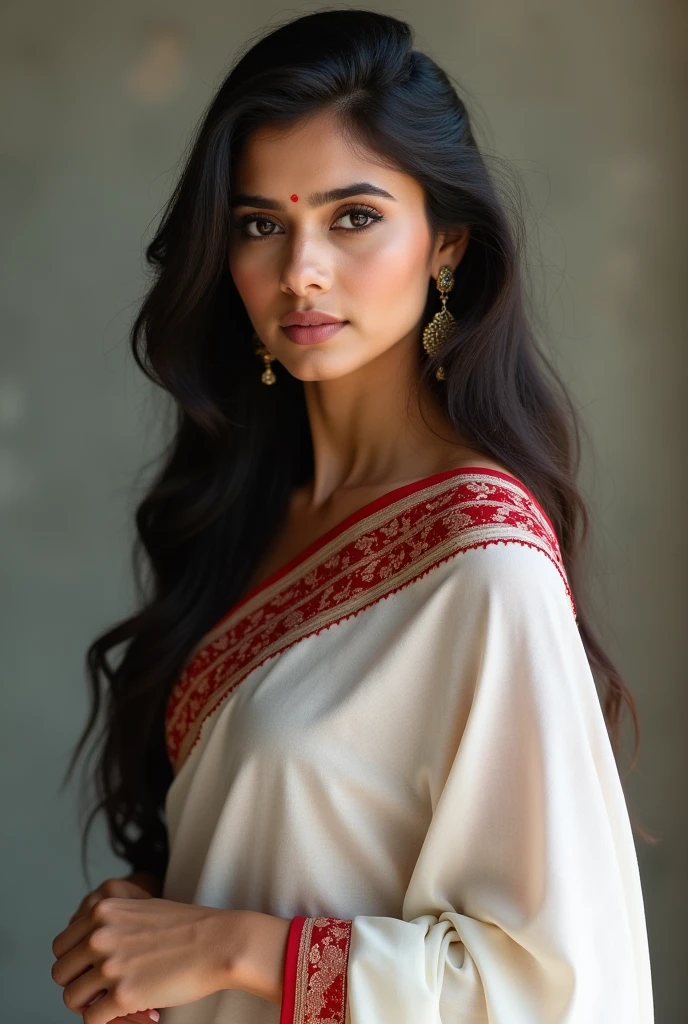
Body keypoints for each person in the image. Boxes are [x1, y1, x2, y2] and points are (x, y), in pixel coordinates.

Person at [50, 9, 654, 1024]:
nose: (301, 271)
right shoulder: (242, 521)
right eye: (259, 224)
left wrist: (232, 946)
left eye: (353, 216)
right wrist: (153, 925)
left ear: (446, 242)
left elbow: (557, 984)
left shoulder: (482, 562)